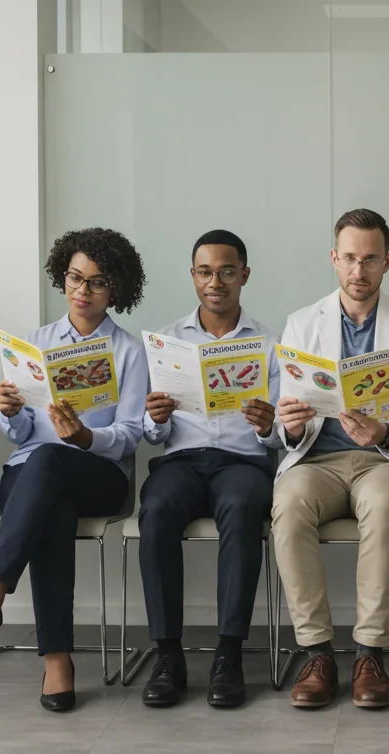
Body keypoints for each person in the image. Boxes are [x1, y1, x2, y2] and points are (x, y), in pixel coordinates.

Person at [0, 227, 148, 713]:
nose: (83, 290)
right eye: (75, 278)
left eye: (97, 282)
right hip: (31, 475)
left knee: (54, 457)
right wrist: (10, 411)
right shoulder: (31, 344)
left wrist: (85, 438)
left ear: (115, 289)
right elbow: (18, 435)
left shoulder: (129, 351)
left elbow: (132, 433)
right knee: (50, 500)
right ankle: (58, 661)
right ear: (62, 279)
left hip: (99, 476)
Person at [271, 208, 389, 709]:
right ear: (333, 258)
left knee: (385, 503)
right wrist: (293, 423)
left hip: (384, 461)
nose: (358, 272)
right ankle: (317, 652)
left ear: (387, 262)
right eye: (349, 259)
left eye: (369, 260)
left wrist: (386, 429)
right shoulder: (301, 324)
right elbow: (285, 424)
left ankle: (370, 653)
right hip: (316, 462)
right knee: (288, 502)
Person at [136, 230, 280, 709]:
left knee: (241, 506)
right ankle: (168, 655)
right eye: (204, 271)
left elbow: (281, 437)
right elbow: (152, 433)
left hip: (243, 463)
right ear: (193, 276)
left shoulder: (269, 345)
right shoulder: (166, 342)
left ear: (244, 275)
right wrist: (153, 419)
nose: (215, 281)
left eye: (226, 271)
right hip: (182, 460)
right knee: (155, 507)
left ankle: (229, 655)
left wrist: (266, 426)